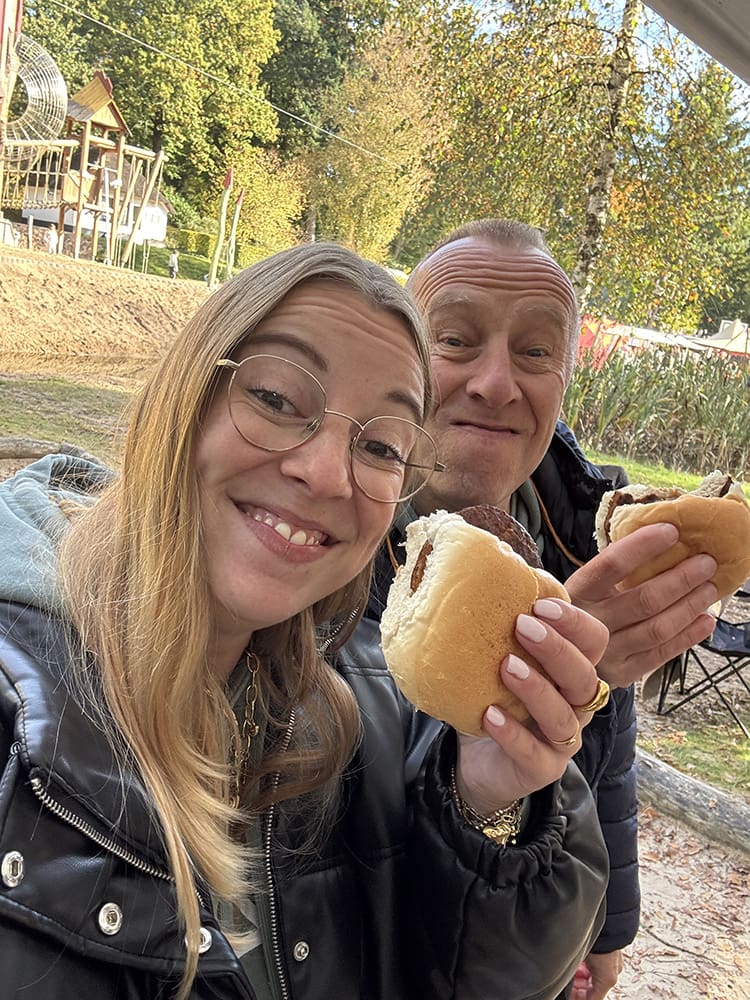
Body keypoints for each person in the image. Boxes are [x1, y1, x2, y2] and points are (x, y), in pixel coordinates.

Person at [0, 242, 610, 999]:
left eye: (380, 446)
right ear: (181, 395)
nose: (325, 474)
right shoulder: (16, 717)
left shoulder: (363, 716)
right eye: (278, 399)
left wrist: (487, 805)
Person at [343, 219, 720, 1000]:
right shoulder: (325, 532)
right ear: (403, 360)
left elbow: (611, 753)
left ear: (565, 379)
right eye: (456, 340)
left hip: (533, 926)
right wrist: (522, 700)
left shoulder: (588, 529)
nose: (496, 382)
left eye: (536, 352)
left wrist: (608, 924)